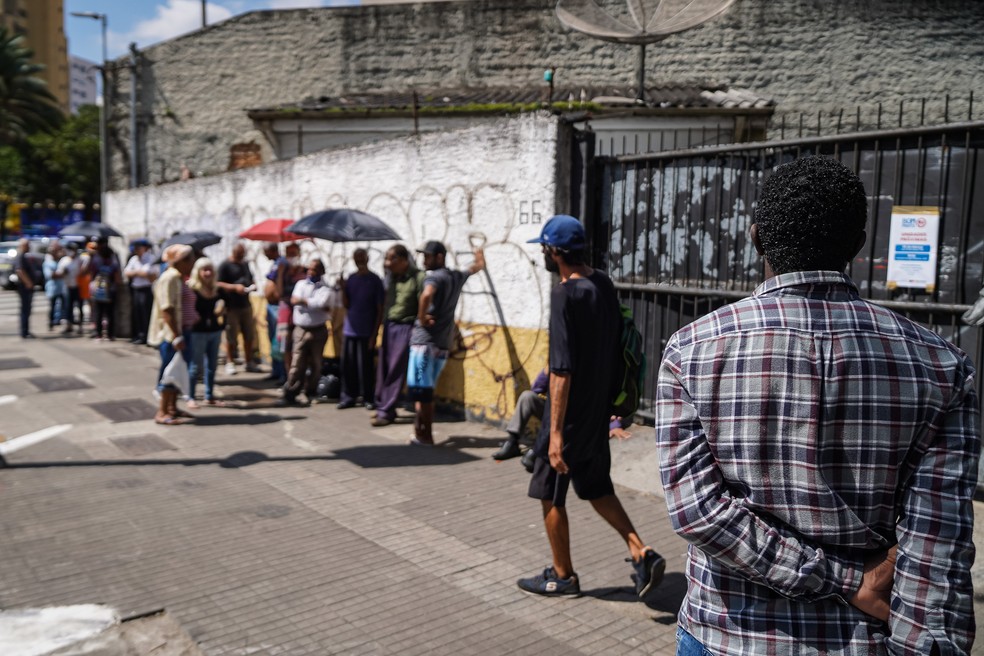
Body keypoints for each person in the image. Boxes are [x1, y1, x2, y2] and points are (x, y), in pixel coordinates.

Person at [655, 156, 980, 656]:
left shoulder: (693, 349)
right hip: (864, 640)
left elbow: (699, 513)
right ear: (857, 244)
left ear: (756, 238)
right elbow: (937, 543)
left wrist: (843, 580)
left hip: (726, 633)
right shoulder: (941, 365)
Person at [517, 214, 665, 603]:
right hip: (598, 413)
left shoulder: (565, 294)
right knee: (596, 486)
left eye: (545, 250)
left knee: (549, 492)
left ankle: (563, 574)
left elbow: (561, 372)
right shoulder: (602, 282)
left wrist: (554, 434)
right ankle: (641, 551)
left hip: (569, 415)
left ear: (554, 252)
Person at [407, 240, 485, 445]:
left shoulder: (435, 278)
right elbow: (475, 268)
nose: (424, 260)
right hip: (442, 343)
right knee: (425, 389)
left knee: (423, 392)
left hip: (424, 343)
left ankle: (427, 435)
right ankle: (419, 431)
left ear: (439, 257)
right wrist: (479, 256)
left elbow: (426, 295)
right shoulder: (455, 276)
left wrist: (422, 317)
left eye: (428, 256)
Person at [371, 244, 425, 427]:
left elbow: (422, 304)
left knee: (395, 369)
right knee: (383, 368)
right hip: (389, 325)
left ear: (403, 260)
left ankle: (386, 410)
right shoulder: (390, 278)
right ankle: (382, 406)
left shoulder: (417, 277)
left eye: (391, 259)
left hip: (405, 327)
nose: (387, 263)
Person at [148, 244, 196, 425]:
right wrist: (177, 335)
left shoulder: (180, 278)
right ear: (181, 261)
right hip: (172, 335)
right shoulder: (170, 278)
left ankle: (172, 408)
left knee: (178, 371)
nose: (193, 263)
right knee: (169, 373)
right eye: (190, 260)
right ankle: (162, 412)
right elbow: (167, 309)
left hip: (183, 331)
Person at [280, 258, 336, 406]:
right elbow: (294, 300)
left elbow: (322, 303)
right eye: (309, 269)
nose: (311, 272)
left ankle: (309, 391)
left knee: (316, 364)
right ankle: (291, 391)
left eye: (314, 269)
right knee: (297, 362)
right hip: (301, 329)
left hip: (318, 330)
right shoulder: (301, 284)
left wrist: (305, 302)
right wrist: (312, 303)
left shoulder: (325, 289)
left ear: (321, 271)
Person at [338, 248, 385, 410]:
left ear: (367, 258)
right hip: (350, 330)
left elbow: (380, 310)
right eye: (356, 258)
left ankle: (368, 398)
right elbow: (346, 305)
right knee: (348, 366)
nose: (360, 260)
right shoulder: (351, 279)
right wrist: (343, 288)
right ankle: (348, 397)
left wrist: (374, 335)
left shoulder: (375, 280)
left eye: (362, 257)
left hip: (366, 332)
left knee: (365, 367)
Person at [186, 257, 226, 408]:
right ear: (198, 272)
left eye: (210, 269)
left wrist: (222, 309)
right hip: (197, 332)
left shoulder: (216, 289)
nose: (208, 273)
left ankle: (209, 395)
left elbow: (224, 305)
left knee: (212, 365)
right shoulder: (192, 289)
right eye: (204, 270)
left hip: (214, 330)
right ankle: (190, 396)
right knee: (195, 366)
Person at [217, 243, 259, 375]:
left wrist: (253, 285)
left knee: (249, 335)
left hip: (245, 304)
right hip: (231, 306)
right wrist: (234, 288)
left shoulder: (245, 264)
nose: (242, 257)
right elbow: (217, 283)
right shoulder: (225, 265)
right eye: (240, 254)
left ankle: (249, 361)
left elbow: (250, 279)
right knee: (231, 336)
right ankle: (230, 361)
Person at [492, 366, 548, 460]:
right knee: (527, 396)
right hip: (552, 409)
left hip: (571, 415)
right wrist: (548, 371)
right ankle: (512, 442)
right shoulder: (560, 362)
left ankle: (540, 450)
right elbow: (537, 388)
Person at [87, 236, 123, 340]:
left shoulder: (97, 257)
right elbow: (117, 272)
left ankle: (99, 333)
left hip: (101, 287)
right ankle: (109, 334)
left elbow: (91, 271)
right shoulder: (112, 255)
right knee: (109, 311)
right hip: (109, 287)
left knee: (100, 311)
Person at [261, 242, 286, 383]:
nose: (264, 254)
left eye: (266, 251)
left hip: (277, 306)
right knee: (272, 339)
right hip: (271, 306)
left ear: (272, 250)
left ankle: (282, 373)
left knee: (279, 341)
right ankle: (276, 370)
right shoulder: (275, 263)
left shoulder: (281, 263)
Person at [124, 239, 157, 344]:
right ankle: (138, 334)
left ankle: (146, 336)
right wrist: (139, 273)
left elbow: (152, 275)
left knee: (145, 313)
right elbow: (127, 272)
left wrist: (137, 273)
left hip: (146, 289)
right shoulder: (134, 259)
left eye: (139, 248)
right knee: (136, 312)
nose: (137, 250)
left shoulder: (151, 259)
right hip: (136, 288)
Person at [12, 238, 40, 339]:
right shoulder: (20, 256)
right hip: (24, 287)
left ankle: (26, 331)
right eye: (27, 245)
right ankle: (24, 332)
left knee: (27, 309)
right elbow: (19, 270)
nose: (29, 247)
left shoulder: (24, 256)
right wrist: (28, 283)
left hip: (27, 287)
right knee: (25, 309)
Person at [58, 243, 82, 334]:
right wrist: (64, 272)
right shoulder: (64, 260)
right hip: (67, 286)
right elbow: (59, 273)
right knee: (68, 307)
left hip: (78, 286)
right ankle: (69, 325)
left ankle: (80, 326)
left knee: (79, 306)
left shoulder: (80, 260)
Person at [42, 242, 66, 331]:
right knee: (52, 307)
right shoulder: (48, 263)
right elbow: (50, 275)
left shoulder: (60, 261)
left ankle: (60, 321)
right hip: (52, 288)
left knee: (63, 306)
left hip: (61, 288)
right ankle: (51, 323)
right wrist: (61, 274)